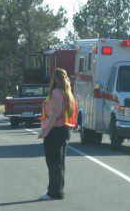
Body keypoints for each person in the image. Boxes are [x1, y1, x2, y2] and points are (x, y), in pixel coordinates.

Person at [37, 68, 76, 200]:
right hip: (65, 129)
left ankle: (53, 192)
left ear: (54, 79)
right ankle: (58, 190)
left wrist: (44, 132)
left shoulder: (56, 92)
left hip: (55, 131)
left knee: (53, 163)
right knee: (60, 163)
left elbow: (55, 114)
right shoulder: (67, 92)